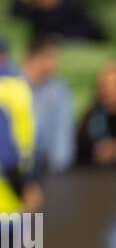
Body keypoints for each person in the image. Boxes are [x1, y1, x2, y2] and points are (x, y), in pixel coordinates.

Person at [0, 34, 36, 248]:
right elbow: (19, 147)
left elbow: (4, 147)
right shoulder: (19, 88)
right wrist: (26, 187)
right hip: (12, 208)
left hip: (8, 196)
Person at [21, 36, 75, 178]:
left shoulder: (59, 90)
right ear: (31, 56)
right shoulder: (10, 85)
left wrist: (58, 172)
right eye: (49, 57)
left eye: (55, 59)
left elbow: (62, 135)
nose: (54, 64)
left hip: (45, 169)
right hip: (12, 166)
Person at [11, 0, 103, 42]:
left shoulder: (73, 4)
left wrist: (60, 38)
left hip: (75, 45)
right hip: (48, 50)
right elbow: (15, 14)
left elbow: (90, 29)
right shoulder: (37, 12)